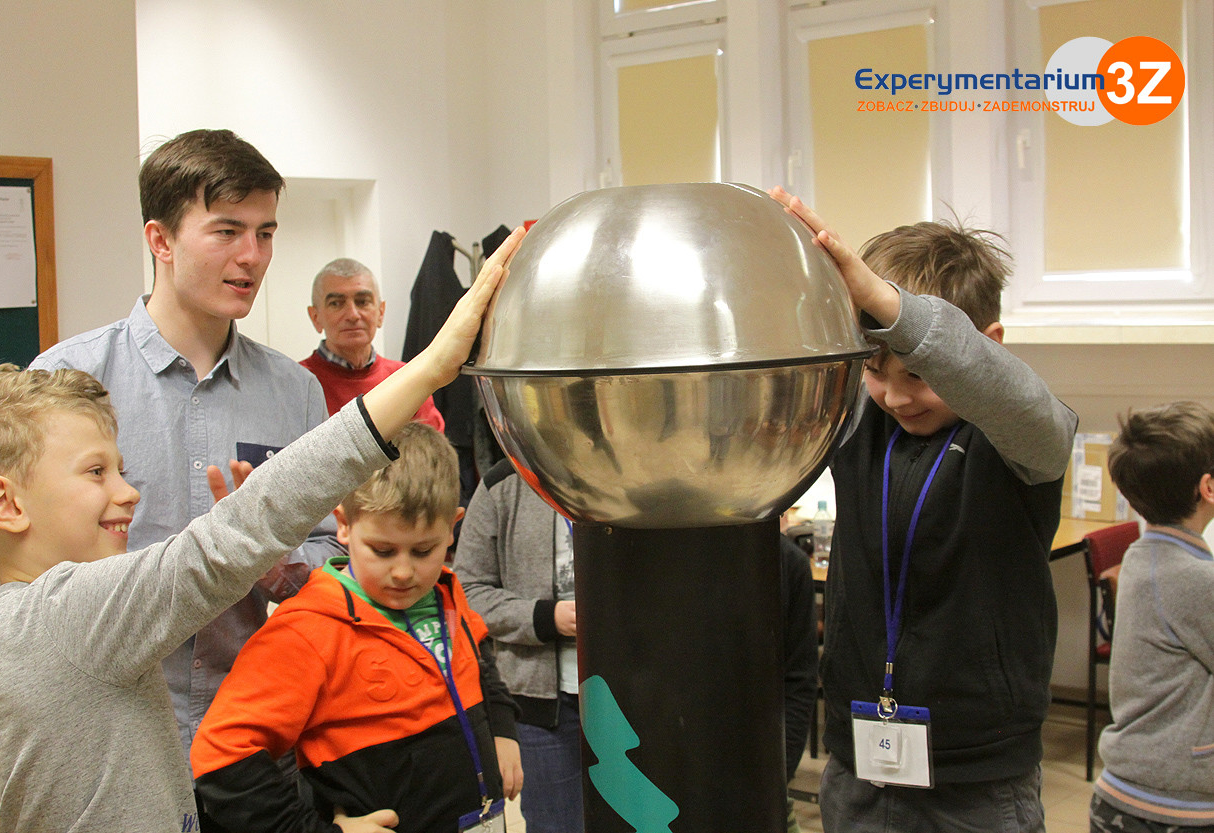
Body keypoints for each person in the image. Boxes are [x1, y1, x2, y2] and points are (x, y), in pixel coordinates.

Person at [0, 229, 522, 832]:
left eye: (121, 470)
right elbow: (232, 537)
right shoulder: (58, 617)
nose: (128, 493)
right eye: (97, 472)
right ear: (5, 503)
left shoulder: (33, 626)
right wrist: (431, 368)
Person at [0, 128, 341, 761]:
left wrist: (273, 561)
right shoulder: (67, 378)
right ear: (160, 241)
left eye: (266, 233)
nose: (252, 256)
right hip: (106, 736)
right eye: (227, 231)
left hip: (251, 738)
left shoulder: (294, 392)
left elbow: (332, 554)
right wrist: (97, 612)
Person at [770, 188, 1078, 833]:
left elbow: (1018, 401)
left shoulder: (1019, 438)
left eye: (917, 373)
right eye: (876, 371)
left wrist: (892, 309)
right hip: (859, 765)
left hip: (977, 783)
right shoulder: (858, 421)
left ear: (990, 345)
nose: (895, 397)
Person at [453, 459, 819, 833]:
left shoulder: (640, 467)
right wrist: (545, 618)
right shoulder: (505, 485)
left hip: (644, 702)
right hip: (546, 708)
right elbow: (467, 591)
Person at [191, 421, 522, 833]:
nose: (403, 572)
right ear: (344, 525)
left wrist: (503, 730)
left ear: (453, 528)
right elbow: (220, 755)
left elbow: (478, 658)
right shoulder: (307, 631)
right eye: (382, 551)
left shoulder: (444, 592)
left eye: (423, 550)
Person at [1089, 402, 1214, 831]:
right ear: (1208, 487)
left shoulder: (1144, 555)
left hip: (1130, 793)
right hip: (1172, 806)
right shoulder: (1194, 578)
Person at [301, 257, 445, 428]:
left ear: (380, 313)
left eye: (362, 302)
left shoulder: (408, 379)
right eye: (336, 304)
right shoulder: (298, 383)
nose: (353, 315)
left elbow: (433, 444)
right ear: (315, 317)